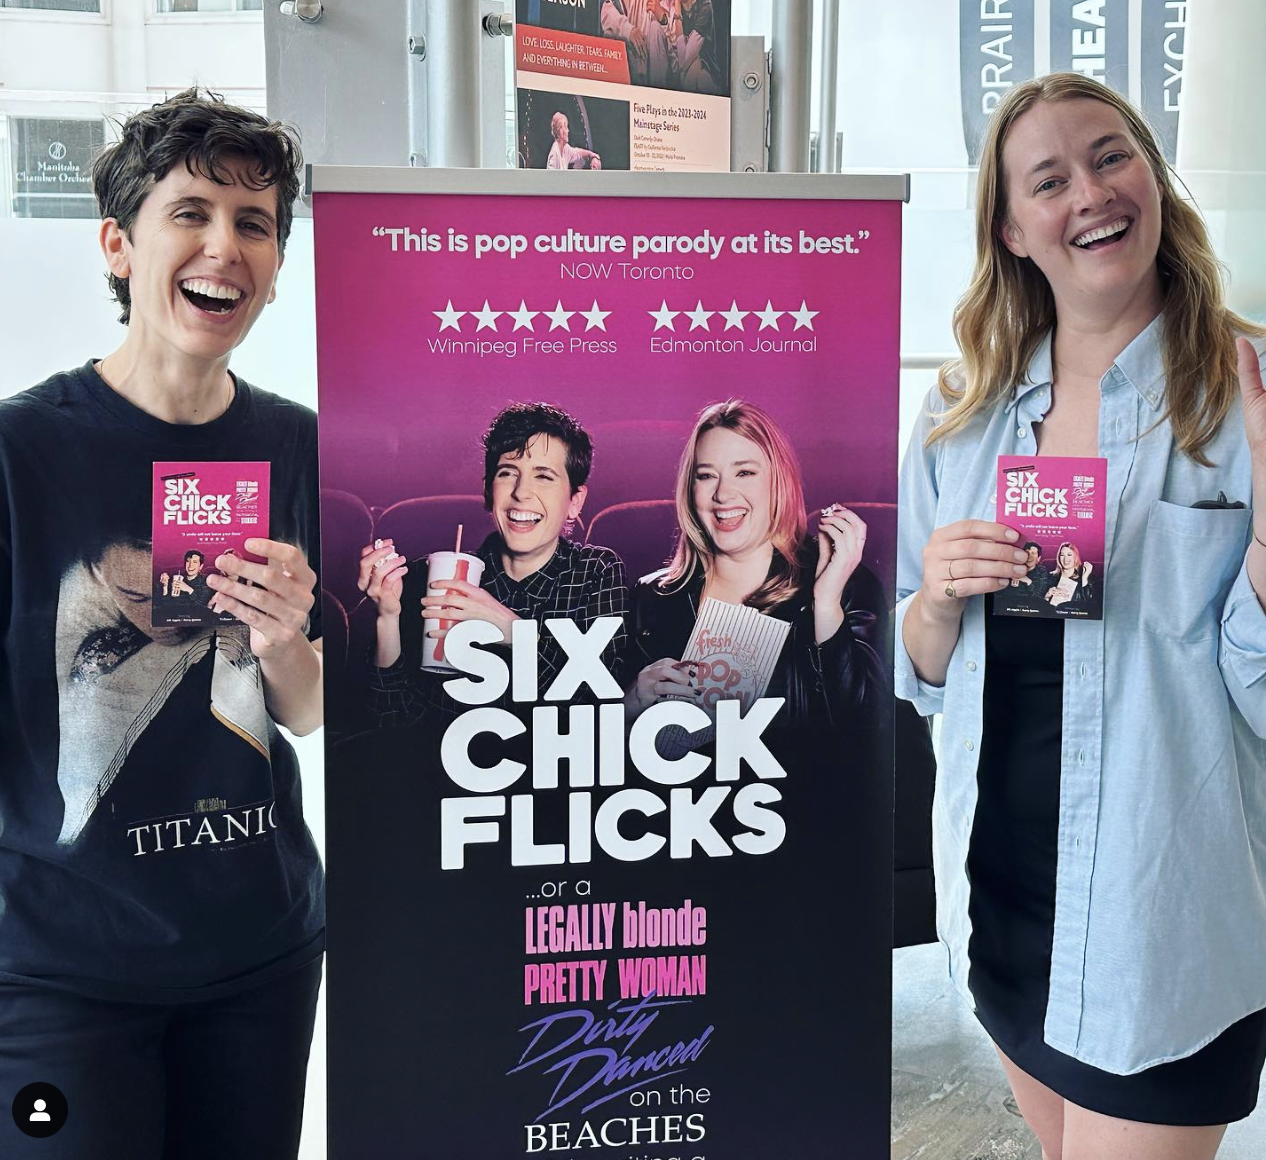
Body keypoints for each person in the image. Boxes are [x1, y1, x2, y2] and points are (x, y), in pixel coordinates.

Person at [896, 72, 1266, 1160]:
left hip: (1160, 921)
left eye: (1111, 157)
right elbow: (919, 671)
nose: (1091, 193)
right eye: (1049, 180)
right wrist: (935, 595)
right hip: (1003, 899)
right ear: (1012, 229)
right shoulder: (960, 410)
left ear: (1152, 176)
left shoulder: (1244, 395)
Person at [0, 90, 323, 1160]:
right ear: (119, 244)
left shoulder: (300, 446)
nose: (225, 246)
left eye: (254, 223)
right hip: (58, 972)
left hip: (258, 956)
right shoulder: (20, 451)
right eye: (191, 212)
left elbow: (310, 711)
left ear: (276, 263)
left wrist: (283, 642)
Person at [625, 399, 887, 734]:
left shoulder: (844, 584)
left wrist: (826, 606)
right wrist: (629, 705)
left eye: (744, 472)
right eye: (706, 476)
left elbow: (869, 736)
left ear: (778, 481)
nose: (723, 494)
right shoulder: (651, 598)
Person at [360, 402, 628, 724]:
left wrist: (513, 631)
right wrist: (387, 617)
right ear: (488, 491)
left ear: (575, 501)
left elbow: (597, 710)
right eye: (507, 473)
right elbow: (392, 720)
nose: (522, 492)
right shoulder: (431, 577)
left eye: (543, 476)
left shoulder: (596, 572)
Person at [1044, 540, 1095, 612]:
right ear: (1059, 557)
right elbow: (1041, 608)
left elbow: (1089, 606)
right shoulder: (1050, 577)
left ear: (1075, 557)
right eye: (1062, 555)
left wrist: (1084, 579)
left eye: (1069, 555)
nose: (1066, 559)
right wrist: (1046, 597)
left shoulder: (1084, 577)